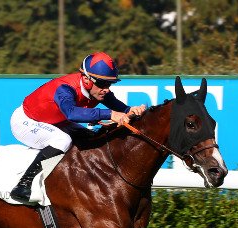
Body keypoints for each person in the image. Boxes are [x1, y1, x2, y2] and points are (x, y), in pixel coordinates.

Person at [9, 51, 146, 203]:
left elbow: (120, 107)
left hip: (55, 121)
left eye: (109, 84)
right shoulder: (65, 89)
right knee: (63, 140)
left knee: (91, 138)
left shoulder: (98, 91)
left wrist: (131, 110)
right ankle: (23, 184)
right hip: (26, 121)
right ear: (86, 80)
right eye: (102, 84)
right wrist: (110, 114)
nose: (106, 89)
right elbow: (71, 113)